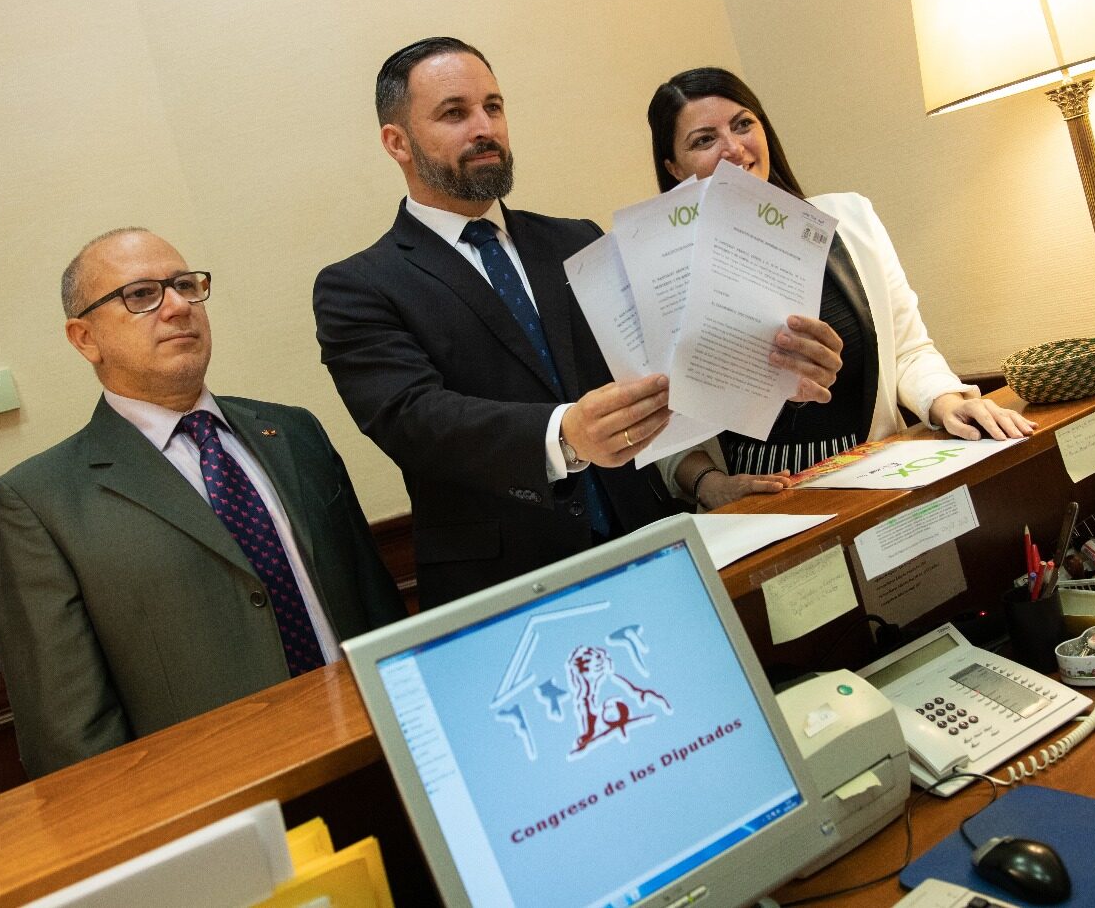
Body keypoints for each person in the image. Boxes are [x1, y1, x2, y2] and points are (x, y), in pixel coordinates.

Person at [316, 38, 841, 609]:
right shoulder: (359, 286)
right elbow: (413, 419)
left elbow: (657, 373)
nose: (484, 128)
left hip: (652, 547)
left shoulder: (576, 241)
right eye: (454, 113)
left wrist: (754, 397)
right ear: (397, 142)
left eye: (493, 107)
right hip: (508, 584)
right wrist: (564, 434)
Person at [0, 228, 404, 778]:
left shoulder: (294, 431)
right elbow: (68, 735)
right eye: (141, 295)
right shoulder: (36, 504)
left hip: (381, 757)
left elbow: (375, 604)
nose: (178, 306)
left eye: (185, 285)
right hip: (220, 796)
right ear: (84, 338)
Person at [647, 68, 1034, 509]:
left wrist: (946, 402)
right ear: (674, 168)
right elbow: (663, 427)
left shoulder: (849, 221)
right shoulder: (663, 275)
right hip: (762, 499)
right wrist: (710, 484)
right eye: (704, 140)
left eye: (742, 124)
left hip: (883, 471)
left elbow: (908, 351)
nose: (734, 149)